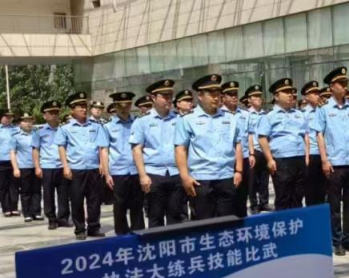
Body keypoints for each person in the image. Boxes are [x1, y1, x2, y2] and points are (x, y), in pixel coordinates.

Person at [311, 67, 349, 255]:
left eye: (345, 83)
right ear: (331, 86)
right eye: (341, 83)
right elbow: (319, 135)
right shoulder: (324, 109)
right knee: (334, 206)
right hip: (334, 163)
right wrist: (324, 160)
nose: (344, 86)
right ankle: (337, 240)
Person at [175, 74, 244, 220]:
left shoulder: (230, 118)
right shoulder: (188, 120)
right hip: (201, 179)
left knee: (227, 222)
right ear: (200, 96)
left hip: (226, 177)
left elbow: (237, 143)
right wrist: (185, 177)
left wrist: (238, 170)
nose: (215, 97)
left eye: (218, 93)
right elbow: (180, 149)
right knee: (204, 223)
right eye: (211, 93)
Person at [131, 78, 185, 228]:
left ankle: (174, 242)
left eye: (170, 95)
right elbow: (136, 149)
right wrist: (143, 175)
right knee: (155, 216)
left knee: (175, 215)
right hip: (154, 174)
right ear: (153, 98)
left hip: (176, 172)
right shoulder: (142, 121)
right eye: (164, 96)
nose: (168, 99)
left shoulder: (179, 119)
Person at [56, 91, 105, 240]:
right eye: (80, 107)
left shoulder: (96, 126)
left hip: (93, 168)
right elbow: (61, 147)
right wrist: (65, 166)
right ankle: (80, 229)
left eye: (85, 106)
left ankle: (94, 227)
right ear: (72, 110)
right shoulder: (65, 128)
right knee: (77, 200)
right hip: (76, 169)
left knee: (94, 201)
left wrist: (102, 164)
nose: (84, 109)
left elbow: (101, 146)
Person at [258, 78, 309, 211]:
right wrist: (270, 159)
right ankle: (282, 222)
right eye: (285, 92)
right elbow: (262, 138)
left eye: (291, 91)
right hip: (282, 160)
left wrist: (306, 156)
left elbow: (305, 136)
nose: (290, 94)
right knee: (283, 196)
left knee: (298, 196)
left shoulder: (299, 114)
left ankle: (297, 221)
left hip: (299, 158)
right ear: (276, 96)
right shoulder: (269, 116)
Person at [98, 91, 144, 234]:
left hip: (136, 170)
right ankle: (121, 234)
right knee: (120, 205)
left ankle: (138, 232)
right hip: (118, 171)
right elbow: (104, 150)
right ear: (115, 106)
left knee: (137, 204)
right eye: (120, 106)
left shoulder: (138, 123)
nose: (124, 109)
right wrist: (107, 174)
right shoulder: (107, 126)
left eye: (127, 105)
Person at [33, 100, 70, 229]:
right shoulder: (39, 132)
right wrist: (37, 167)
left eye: (56, 113)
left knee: (64, 194)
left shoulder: (65, 130)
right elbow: (36, 150)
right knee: (48, 194)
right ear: (45, 116)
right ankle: (52, 219)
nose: (54, 115)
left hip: (62, 166)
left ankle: (63, 218)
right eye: (51, 113)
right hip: (47, 166)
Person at [221, 81, 252, 216]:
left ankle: (242, 217)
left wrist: (251, 153)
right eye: (230, 94)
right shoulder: (220, 115)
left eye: (235, 94)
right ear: (223, 97)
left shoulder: (245, 114)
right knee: (228, 193)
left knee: (242, 193)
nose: (234, 97)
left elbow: (249, 135)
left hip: (244, 157)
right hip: (228, 159)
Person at [10, 113, 41, 222]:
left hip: (36, 166)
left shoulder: (37, 134)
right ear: (20, 123)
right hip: (23, 166)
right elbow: (12, 153)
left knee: (37, 190)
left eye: (30, 121)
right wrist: (15, 168)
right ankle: (27, 213)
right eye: (25, 121)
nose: (28, 123)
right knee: (25, 191)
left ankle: (36, 212)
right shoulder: (16, 136)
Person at [302, 81, 327, 206]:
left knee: (323, 188)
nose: (317, 96)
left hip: (325, 154)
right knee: (311, 188)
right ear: (306, 97)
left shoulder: (323, 111)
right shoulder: (303, 114)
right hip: (312, 153)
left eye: (318, 93)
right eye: (314, 93)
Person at [245, 84, 270, 212]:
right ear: (249, 100)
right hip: (253, 149)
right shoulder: (246, 115)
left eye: (259, 96)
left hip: (264, 150)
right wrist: (250, 152)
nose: (258, 98)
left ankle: (264, 202)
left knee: (264, 179)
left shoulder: (265, 114)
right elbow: (247, 134)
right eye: (255, 96)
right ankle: (254, 204)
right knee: (252, 180)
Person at [0, 109, 18, 217]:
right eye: (6, 117)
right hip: (1, 160)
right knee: (3, 186)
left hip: (14, 160)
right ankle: (6, 208)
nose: (9, 119)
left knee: (14, 185)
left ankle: (14, 207)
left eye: (10, 117)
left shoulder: (16, 129)